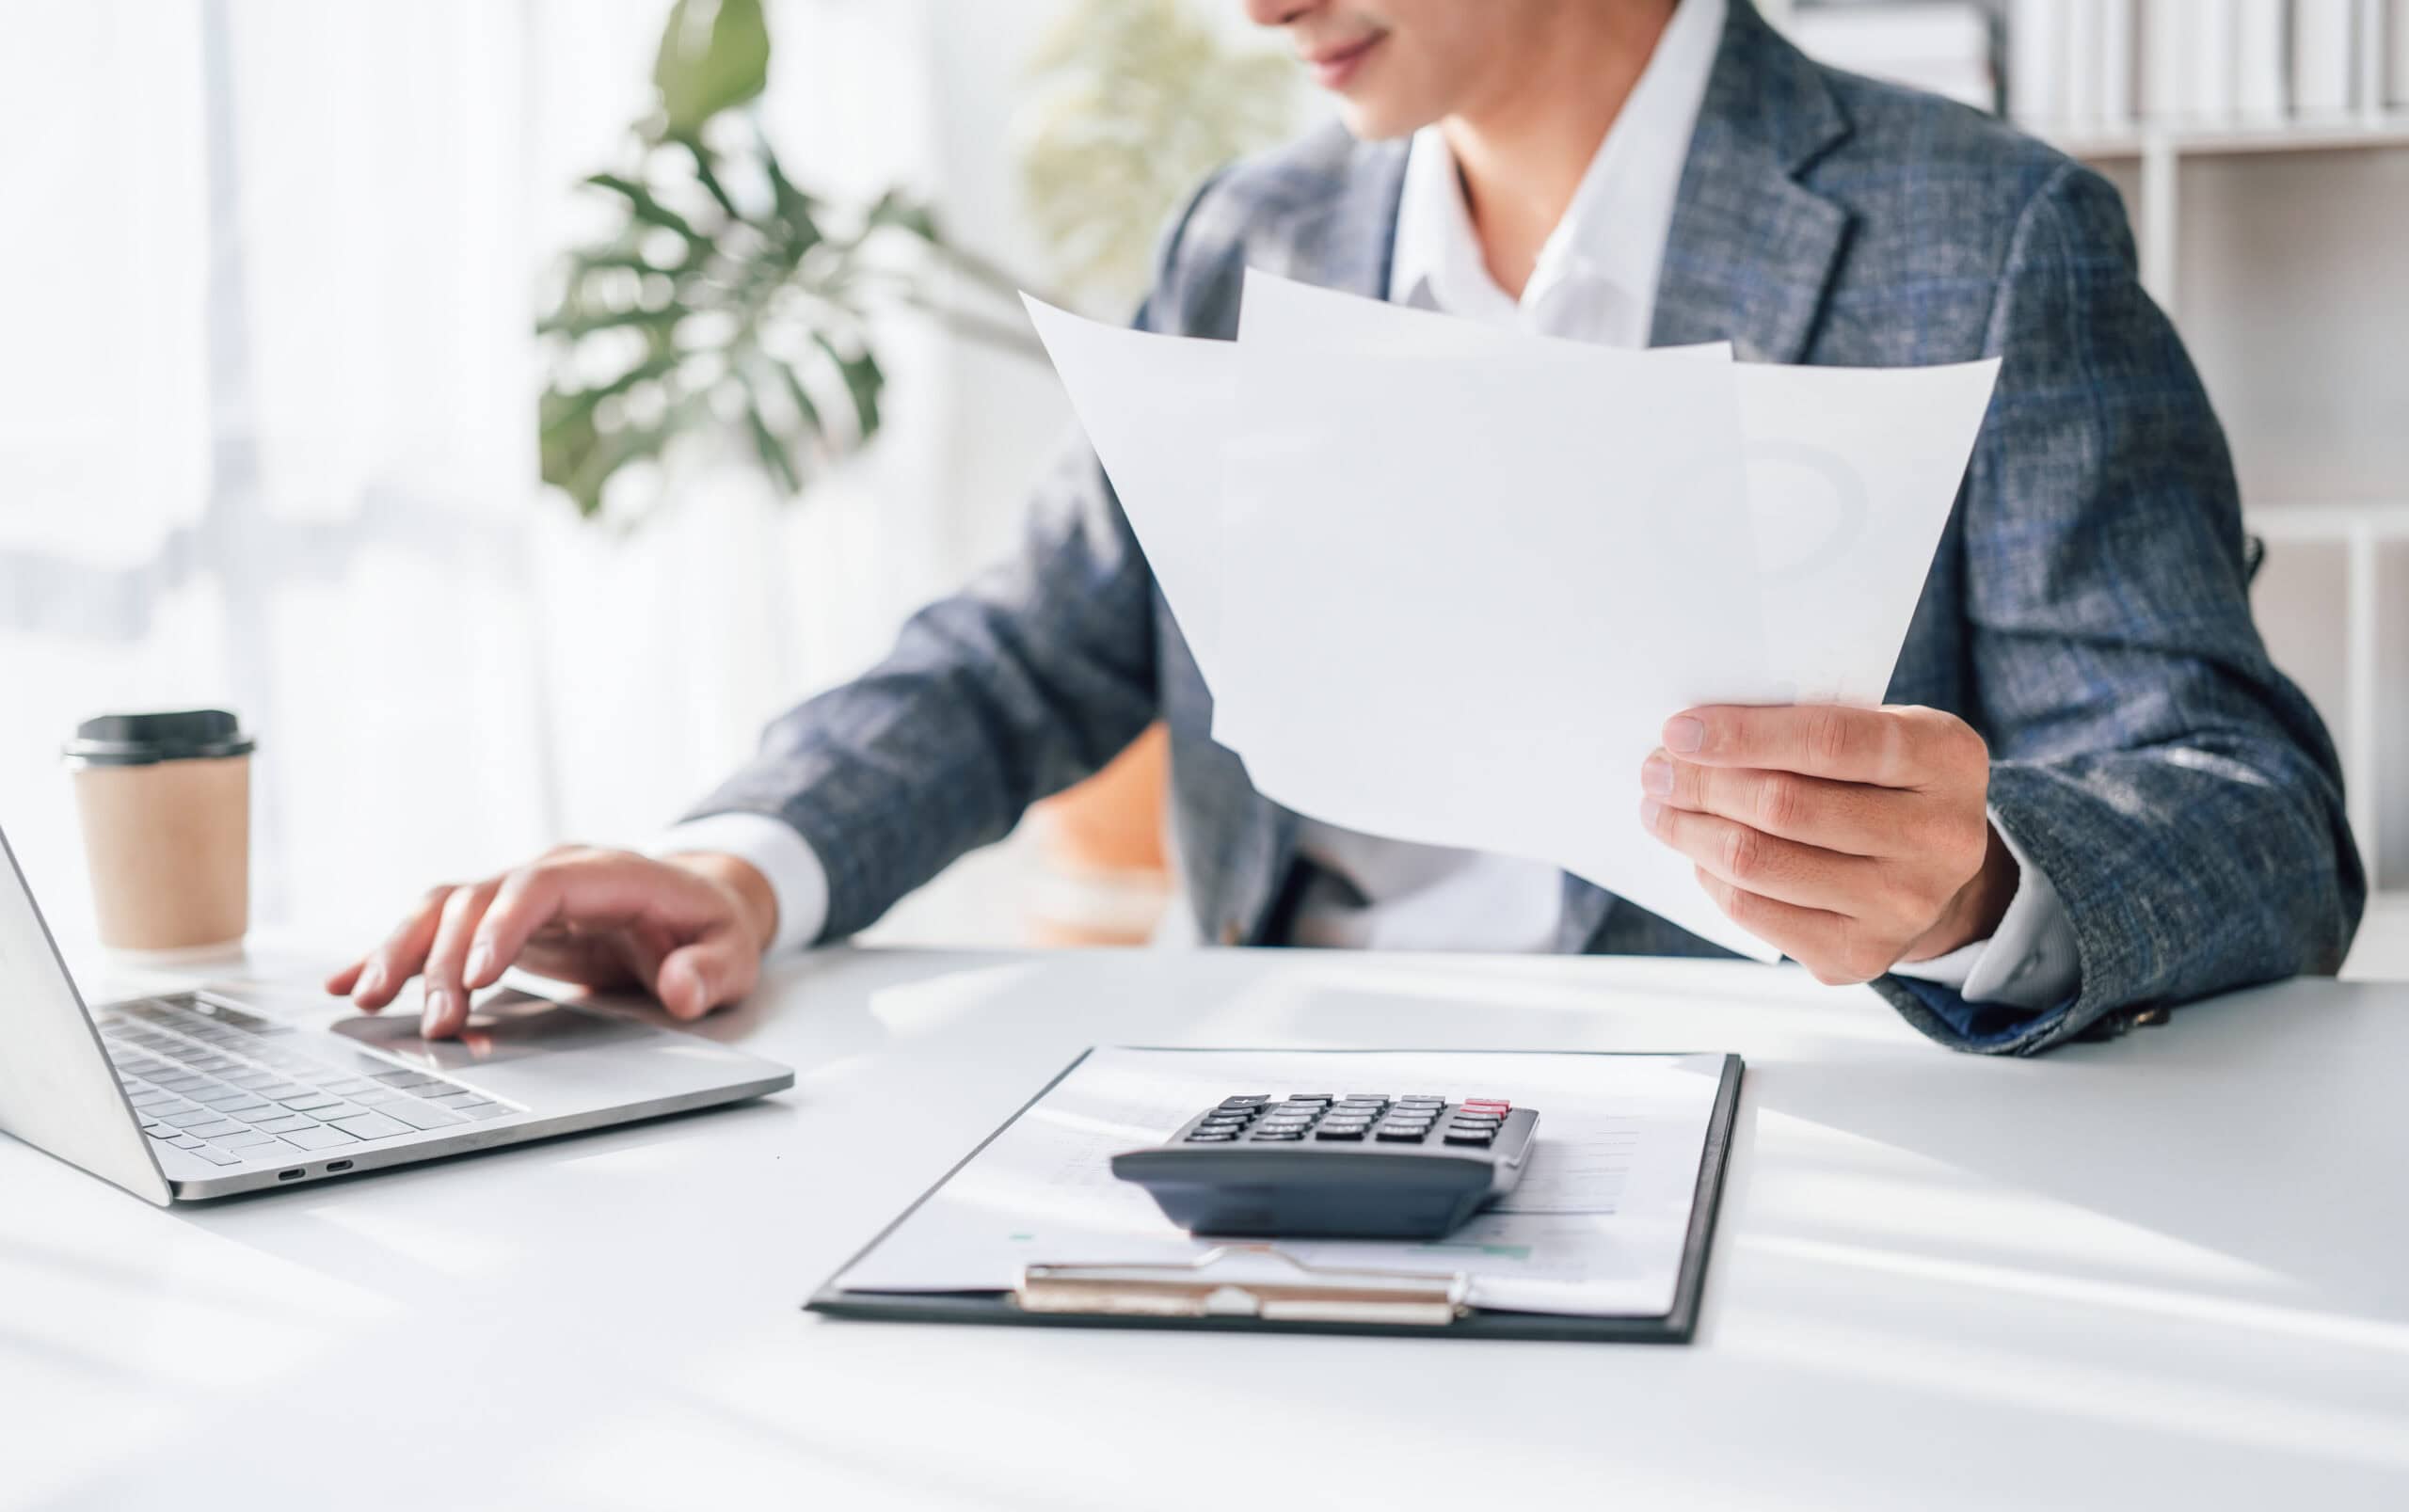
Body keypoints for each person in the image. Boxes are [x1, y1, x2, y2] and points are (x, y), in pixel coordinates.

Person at [330, 0, 2361, 1055]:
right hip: (1261, 1109)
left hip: (1773, 1145)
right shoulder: (1256, 233)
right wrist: (737, 857)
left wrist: (1971, 883)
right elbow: (1028, 644)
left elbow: (2246, 808)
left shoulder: (1982, 234)